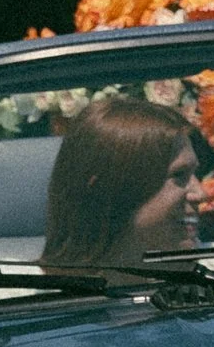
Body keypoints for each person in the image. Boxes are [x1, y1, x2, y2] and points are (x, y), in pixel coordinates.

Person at [43, 95, 201, 270]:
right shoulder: (22, 292)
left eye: (195, 174)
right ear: (106, 191)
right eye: (179, 175)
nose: (201, 194)